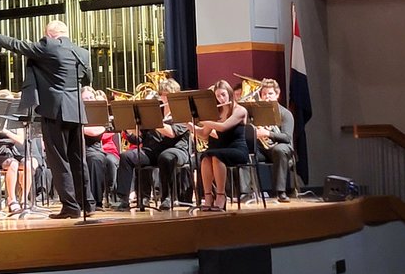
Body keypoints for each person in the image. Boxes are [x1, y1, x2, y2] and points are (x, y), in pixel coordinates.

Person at [0, 17, 91, 219]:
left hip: (55, 111)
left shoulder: (48, 46)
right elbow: (88, 79)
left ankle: (71, 206)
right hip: (76, 110)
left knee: (59, 160)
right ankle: (88, 203)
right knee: (78, 158)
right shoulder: (82, 52)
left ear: (49, 34)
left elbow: (18, 45)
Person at [113, 79, 190, 211]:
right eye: (162, 94)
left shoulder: (182, 112)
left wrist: (151, 119)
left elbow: (171, 133)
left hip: (177, 150)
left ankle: (167, 198)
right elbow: (140, 137)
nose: (164, 98)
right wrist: (129, 125)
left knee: (166, 157)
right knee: (127, 157)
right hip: (153, 150)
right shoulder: (155, 111)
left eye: (167, 95)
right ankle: (124, 199)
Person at [196, 79, 249, 212]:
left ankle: (221, 196)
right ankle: (208, 197)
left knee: (216, 156)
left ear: (230, 93)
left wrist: (204, 120)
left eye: (223, 95)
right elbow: (203, 134)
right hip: (220, 149)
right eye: (217, 96)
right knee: (205, 157)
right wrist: (189, 125)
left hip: (237, 149)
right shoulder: (216, 112)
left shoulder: (240, 110)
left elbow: (223, 127)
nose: (221, 99)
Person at [252, 78, 295, 202]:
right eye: (264, 94)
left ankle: (280, 192)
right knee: (244, 151)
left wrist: (267, 133)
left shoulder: (285, 113)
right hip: (263, 149)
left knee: (280, 150)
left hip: (281, 147)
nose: (267, 97)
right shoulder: (257, 113)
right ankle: (246, 192)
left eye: (270, 94)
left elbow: (287, 137)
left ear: (277, 94)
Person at [82, 87, 117, 209]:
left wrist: (81, 129)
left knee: (104, 160)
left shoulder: (99, 113)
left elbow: (96, 131)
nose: (89, 100)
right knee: (92, 159)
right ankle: (90, 201)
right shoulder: (78, 113)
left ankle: (105, 200)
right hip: (81, 149)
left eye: (91, 97)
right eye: (86, 98)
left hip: (96, 149)